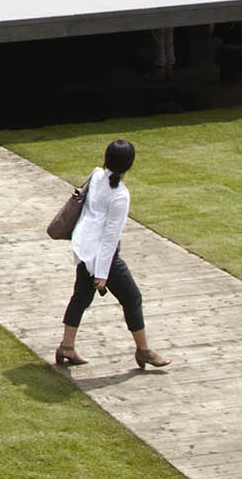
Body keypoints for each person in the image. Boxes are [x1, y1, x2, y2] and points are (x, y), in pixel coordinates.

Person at [53, 139, 168, 371]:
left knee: (82, 296)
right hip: (99, 255)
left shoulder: (96, 176)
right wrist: (103, 273)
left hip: (84, 247)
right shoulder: (120, 195)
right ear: (129, 165)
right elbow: (109, 238)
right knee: (132, 298)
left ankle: (67, 346)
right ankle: (143, 351)